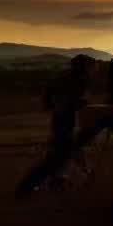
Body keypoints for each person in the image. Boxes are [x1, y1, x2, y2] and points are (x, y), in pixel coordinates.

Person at [16, 54, 96, 198]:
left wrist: (53, 105)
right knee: (60, 153)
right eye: (91, 66)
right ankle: (28, 185)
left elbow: (53, 95)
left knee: (61, 150)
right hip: (64, 118)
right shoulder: (79, 80)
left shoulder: (64, 77)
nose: (93, 70)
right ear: (84, 67)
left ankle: (56, 179)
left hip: (61, 117)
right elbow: (73, 101)